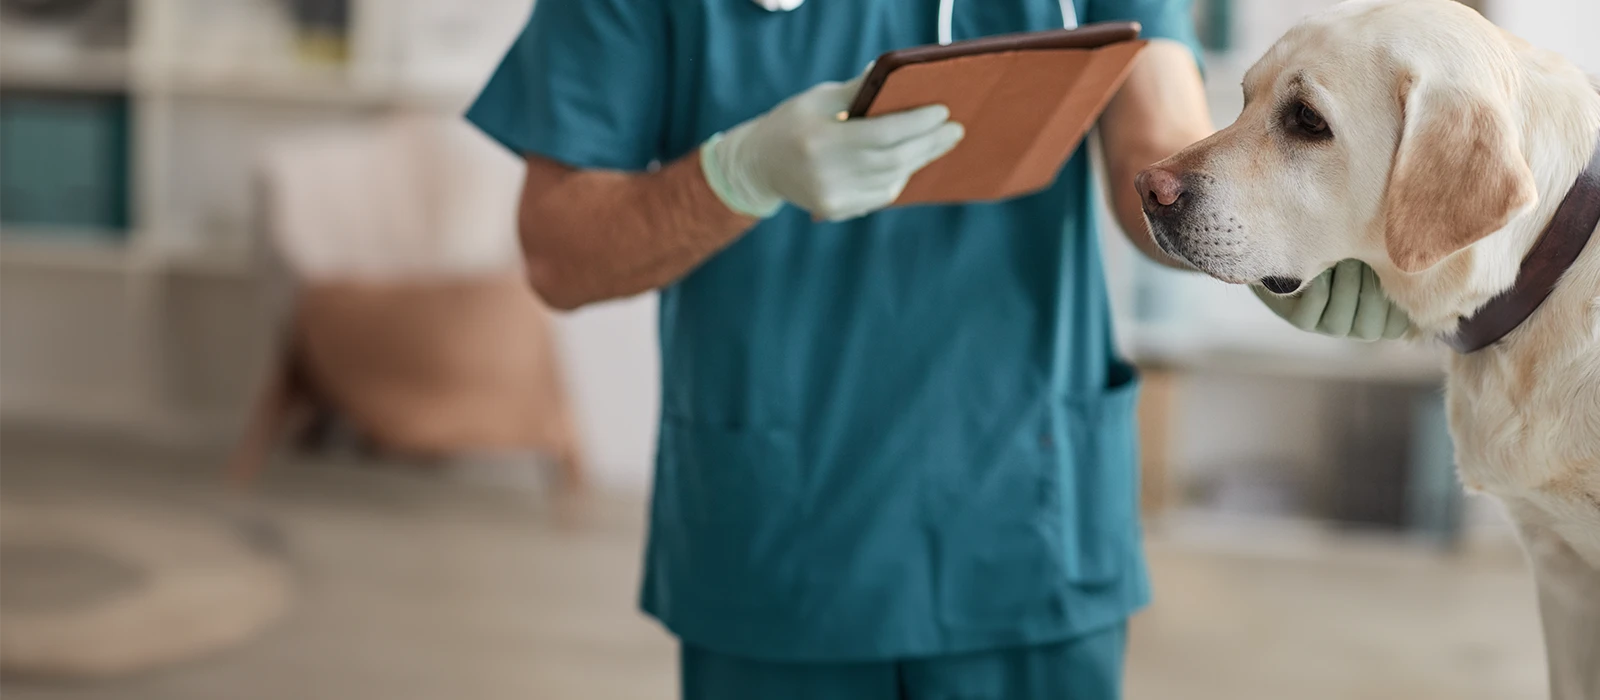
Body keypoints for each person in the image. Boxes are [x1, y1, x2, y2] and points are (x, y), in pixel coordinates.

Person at [467, 1, 1405, 697]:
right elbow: (560, 250)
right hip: (779, 542)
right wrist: (737, 173)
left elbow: (1152, 148)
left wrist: (1249, 236)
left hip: (1026, 531)